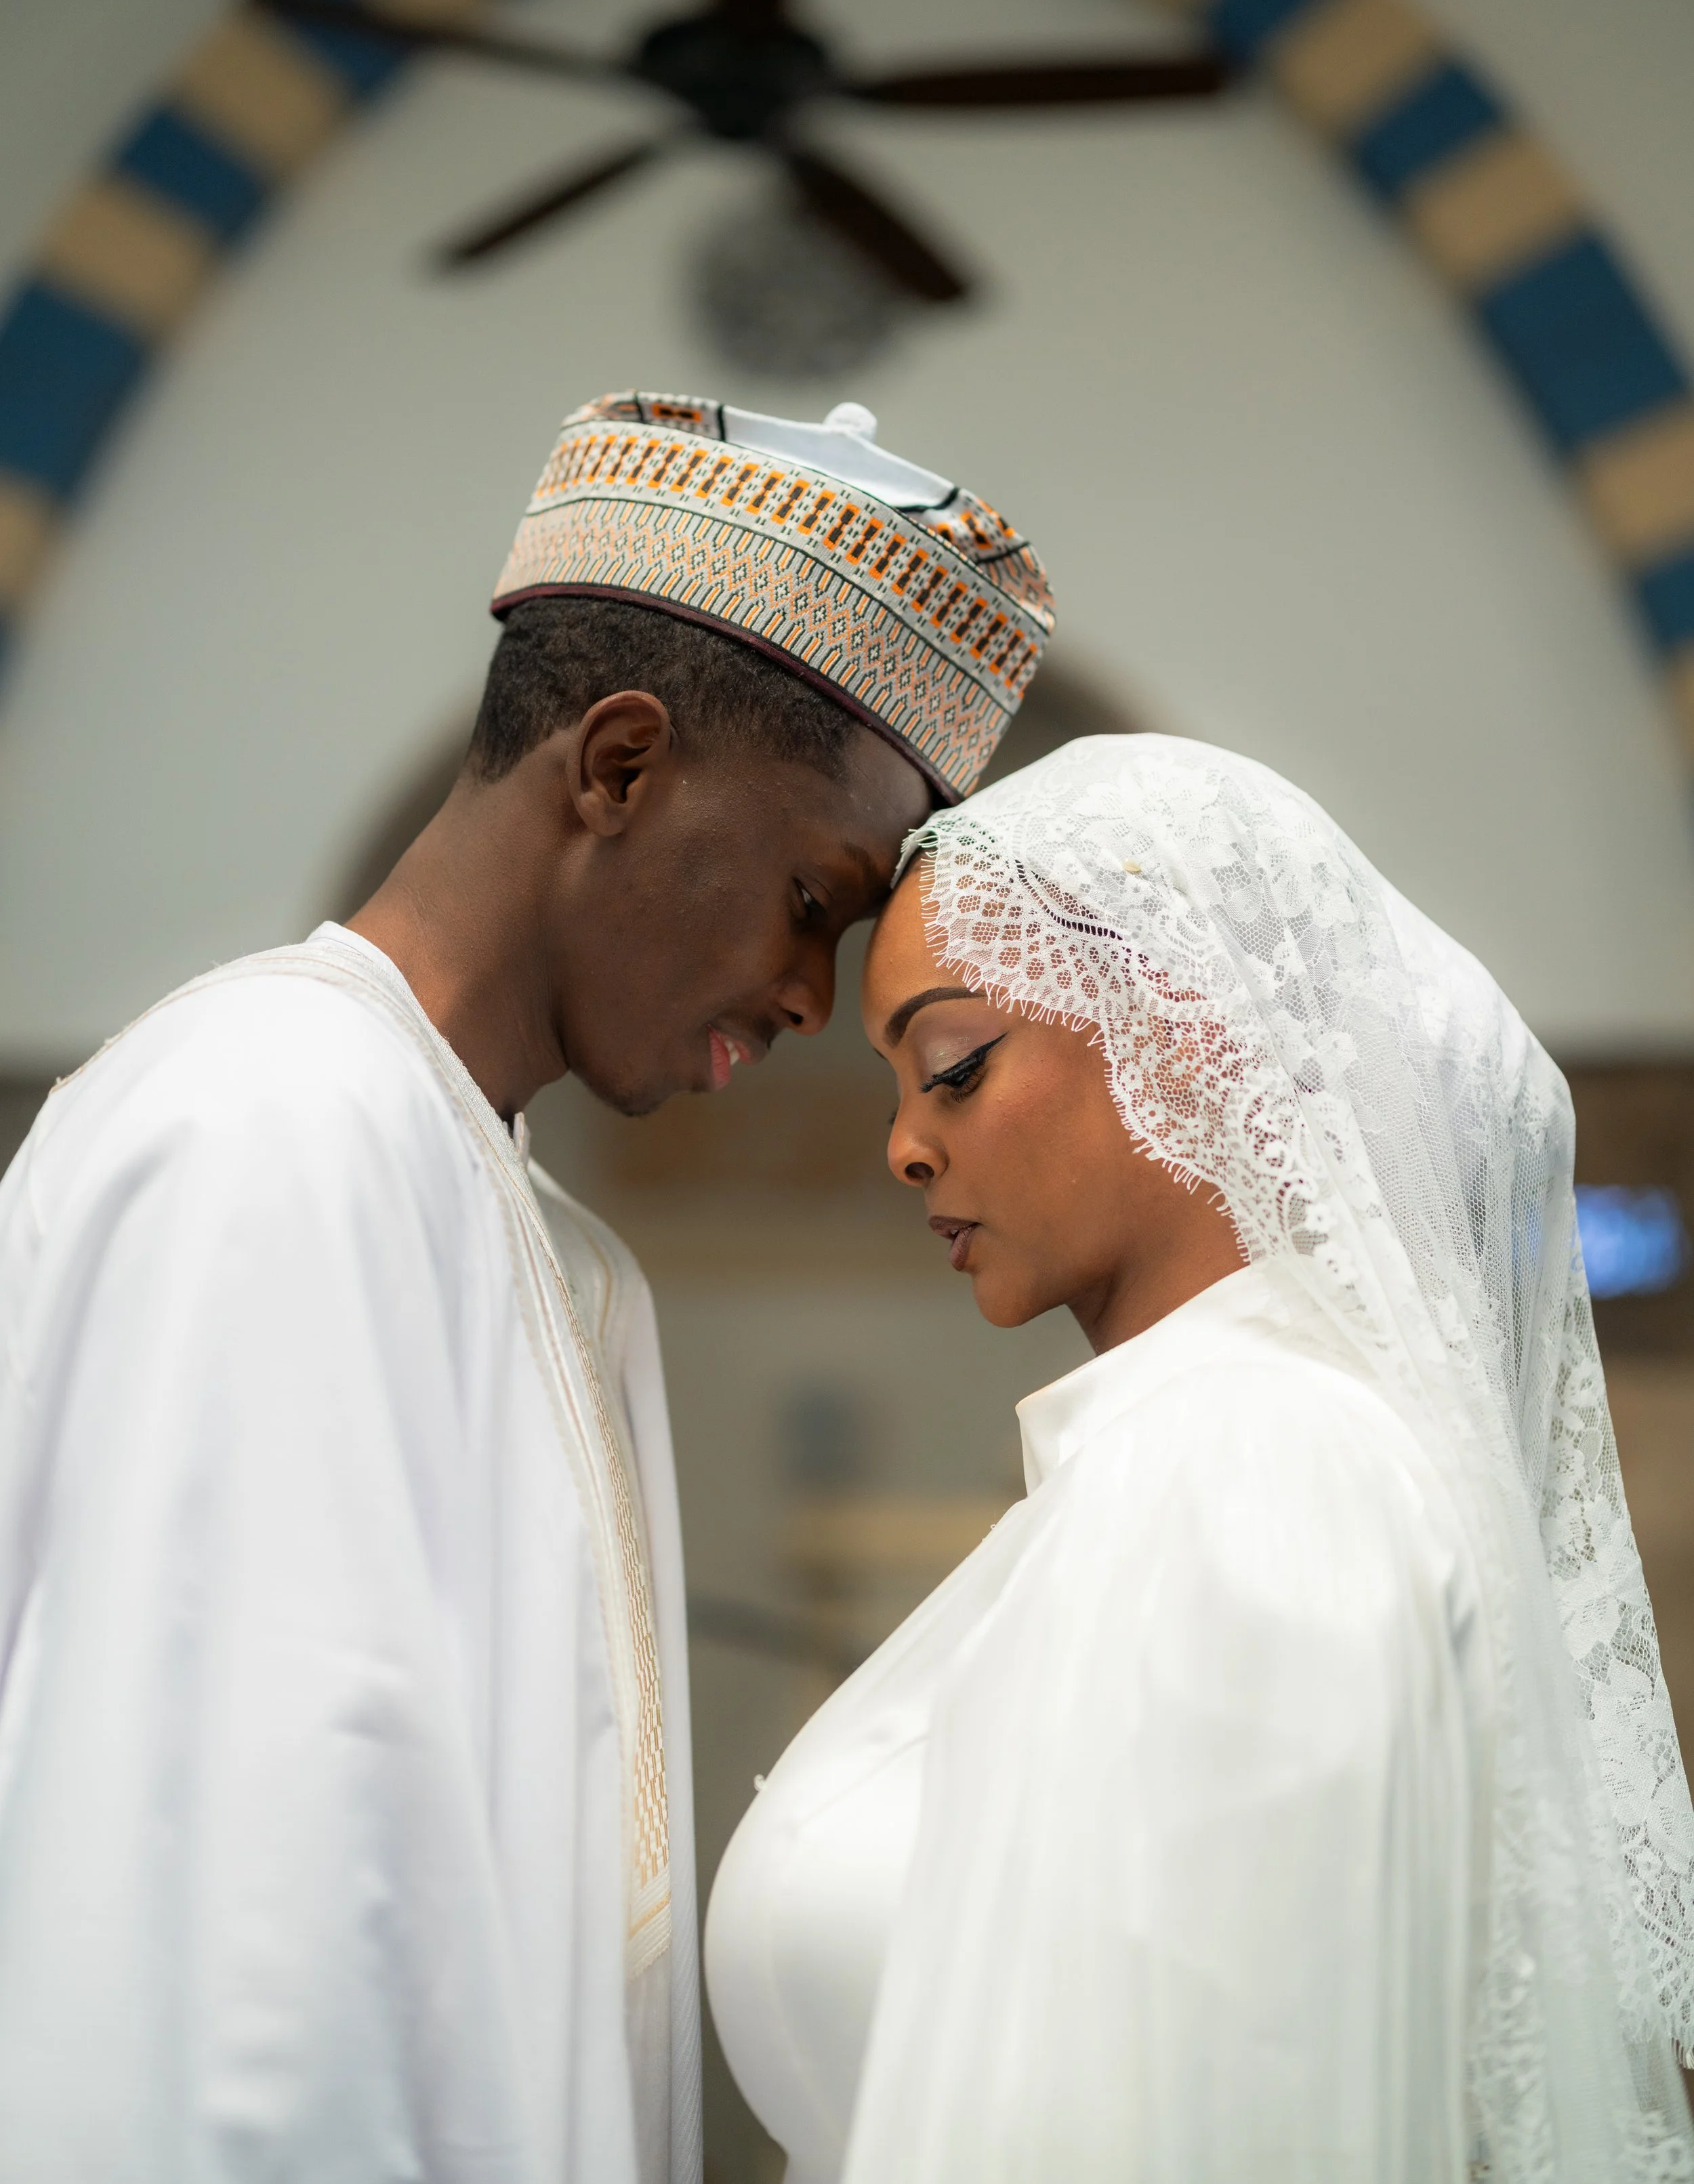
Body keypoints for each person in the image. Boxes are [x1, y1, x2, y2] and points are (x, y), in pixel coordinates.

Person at [0, 388, 1054, 2183]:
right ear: (618, 765)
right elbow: (230, 1966)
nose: (812, 1000)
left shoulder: (547, 1237)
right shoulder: (268, 1122)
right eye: (810, 899)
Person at [706, 733, 1694, 2184]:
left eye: (951, 1065)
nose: (904, 1146)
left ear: (1178, 1027)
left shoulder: (1256, 1466)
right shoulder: (1188, 1446)